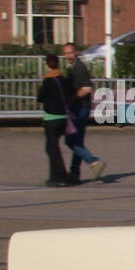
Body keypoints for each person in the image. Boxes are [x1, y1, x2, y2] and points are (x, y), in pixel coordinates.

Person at [60, 42, 105, 182]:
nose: (68, 56)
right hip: (78, 107)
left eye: (70, 52)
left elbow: (87, 88)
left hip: (81, 108)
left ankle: (94, 161)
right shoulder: (71, 68)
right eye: (65, 53)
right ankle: (74, 173)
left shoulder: (79, 68)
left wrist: (72, 98)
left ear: (76, 52)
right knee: (78, 140)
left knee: (70, 140)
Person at [36, 53, 72, 187]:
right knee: (53, 147)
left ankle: (59, 176)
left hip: (51, 118)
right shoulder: (63, 79)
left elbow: (40, 97)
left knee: (52, 148)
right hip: (64, 117)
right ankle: (59, 175)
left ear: (47, 65)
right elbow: (70, 93)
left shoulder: (48, 80)